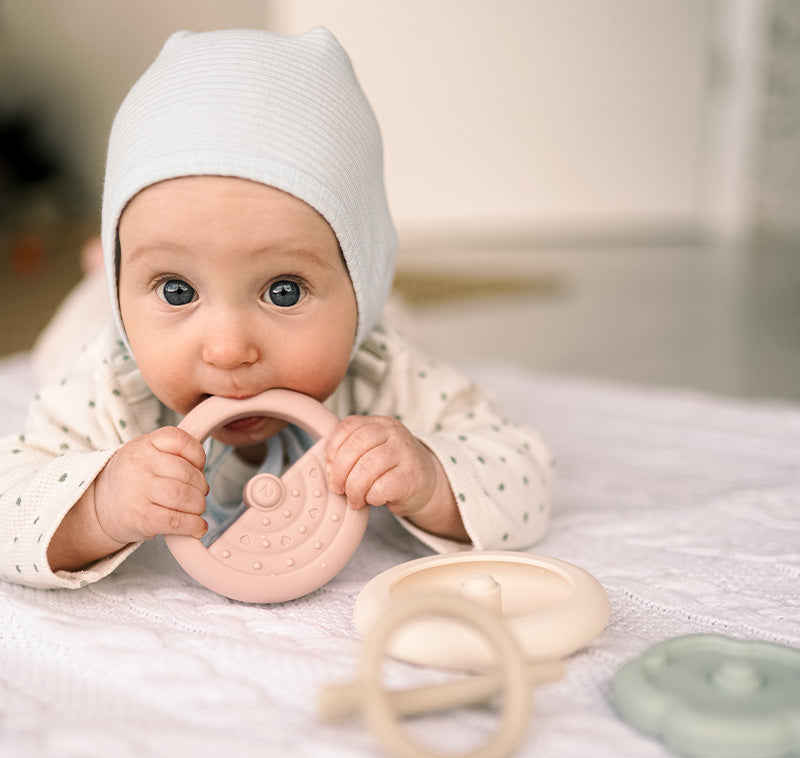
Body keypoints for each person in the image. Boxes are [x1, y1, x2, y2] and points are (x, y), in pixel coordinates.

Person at [0, 28, 554, 590]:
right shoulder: (110, 385)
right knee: (66, 333)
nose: (228, 349)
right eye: (176, 289)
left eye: (283, 290)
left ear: (362, 284)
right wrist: (98, 505)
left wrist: (433, 478)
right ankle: (101, 273)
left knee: (404, 323)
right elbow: (8, 504)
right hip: (95, 314)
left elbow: (523, 474)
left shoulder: (385, 373)